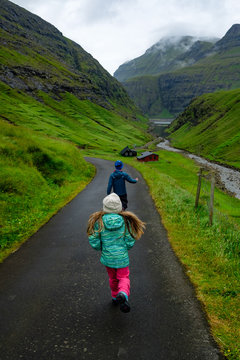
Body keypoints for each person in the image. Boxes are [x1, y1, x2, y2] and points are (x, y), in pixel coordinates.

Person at [87, 193, 145, 313]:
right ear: (119, 207)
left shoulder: (100, 222)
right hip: (122, 258)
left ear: (105, 208)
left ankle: (114, 297)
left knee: (113, 278)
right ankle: (123, 294)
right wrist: (127, 247)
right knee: (123, 277)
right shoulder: (125, 221)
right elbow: (130, 238)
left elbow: (94, 238)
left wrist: (99, 247)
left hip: (108, 258)